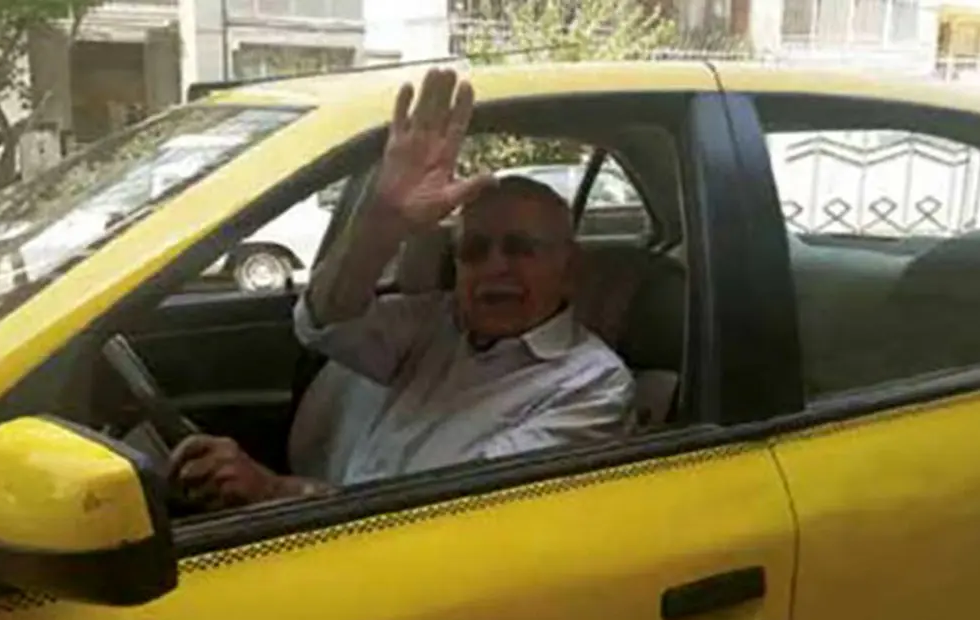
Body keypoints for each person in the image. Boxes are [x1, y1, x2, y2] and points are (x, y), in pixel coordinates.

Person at [170, 68, 635, 508]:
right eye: (474, 250)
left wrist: (273, 491)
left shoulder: (591, 386)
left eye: (520, 248)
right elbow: (325, 321)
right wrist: (382, 223)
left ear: (570, 268)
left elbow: (442, 516)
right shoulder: (435, 321)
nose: (495, 266)